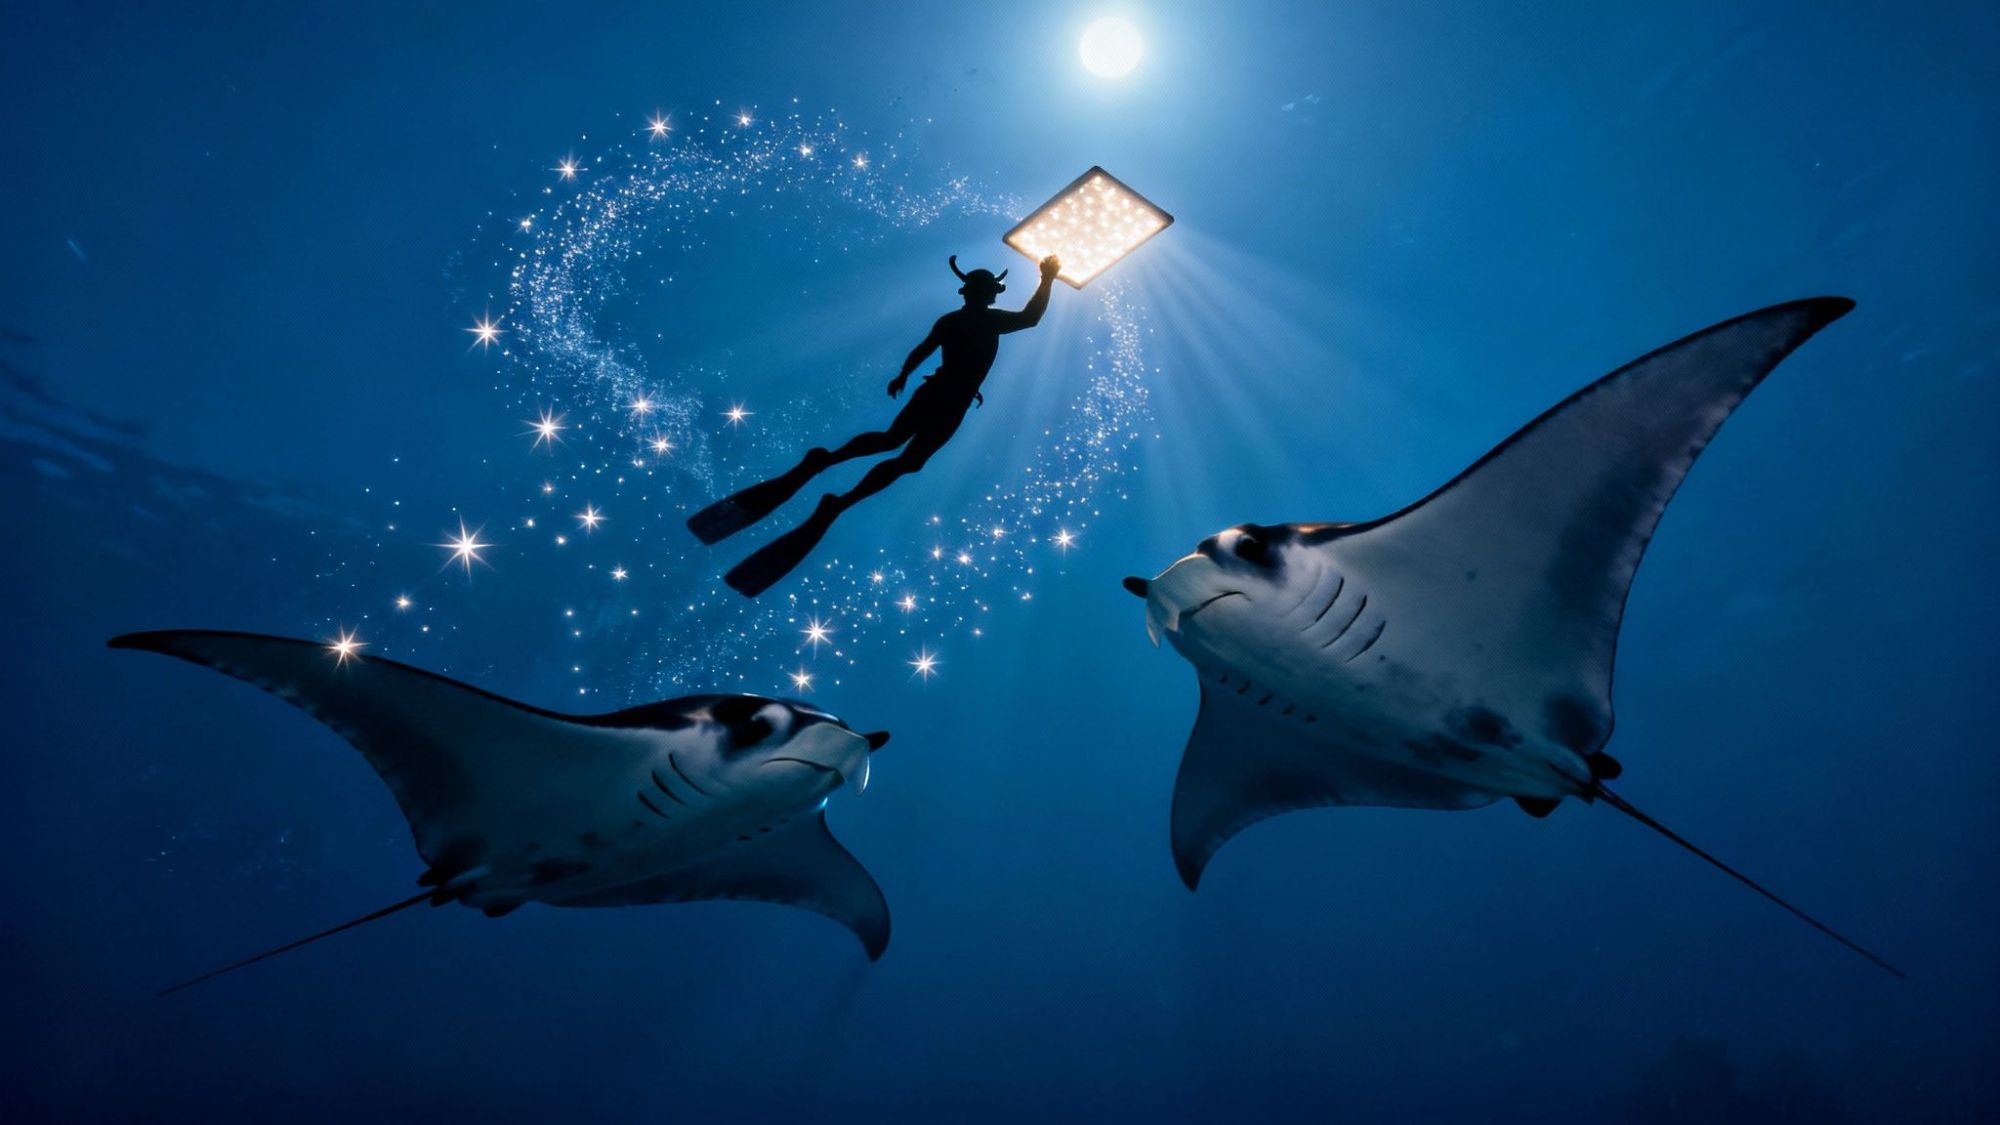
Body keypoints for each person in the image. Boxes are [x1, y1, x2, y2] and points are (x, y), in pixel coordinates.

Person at [691, 252, 1063, 596]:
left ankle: (829, 473)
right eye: (988, 292)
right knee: (899, 449)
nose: (988, 297)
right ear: (984, 294)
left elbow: (925, 349)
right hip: (946, 395)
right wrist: (1047, 278)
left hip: (950, 395)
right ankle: (833, 481)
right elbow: (1029, 317)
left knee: (900, 449)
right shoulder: (983, 319)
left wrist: (905, 374)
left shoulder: (955, 320)